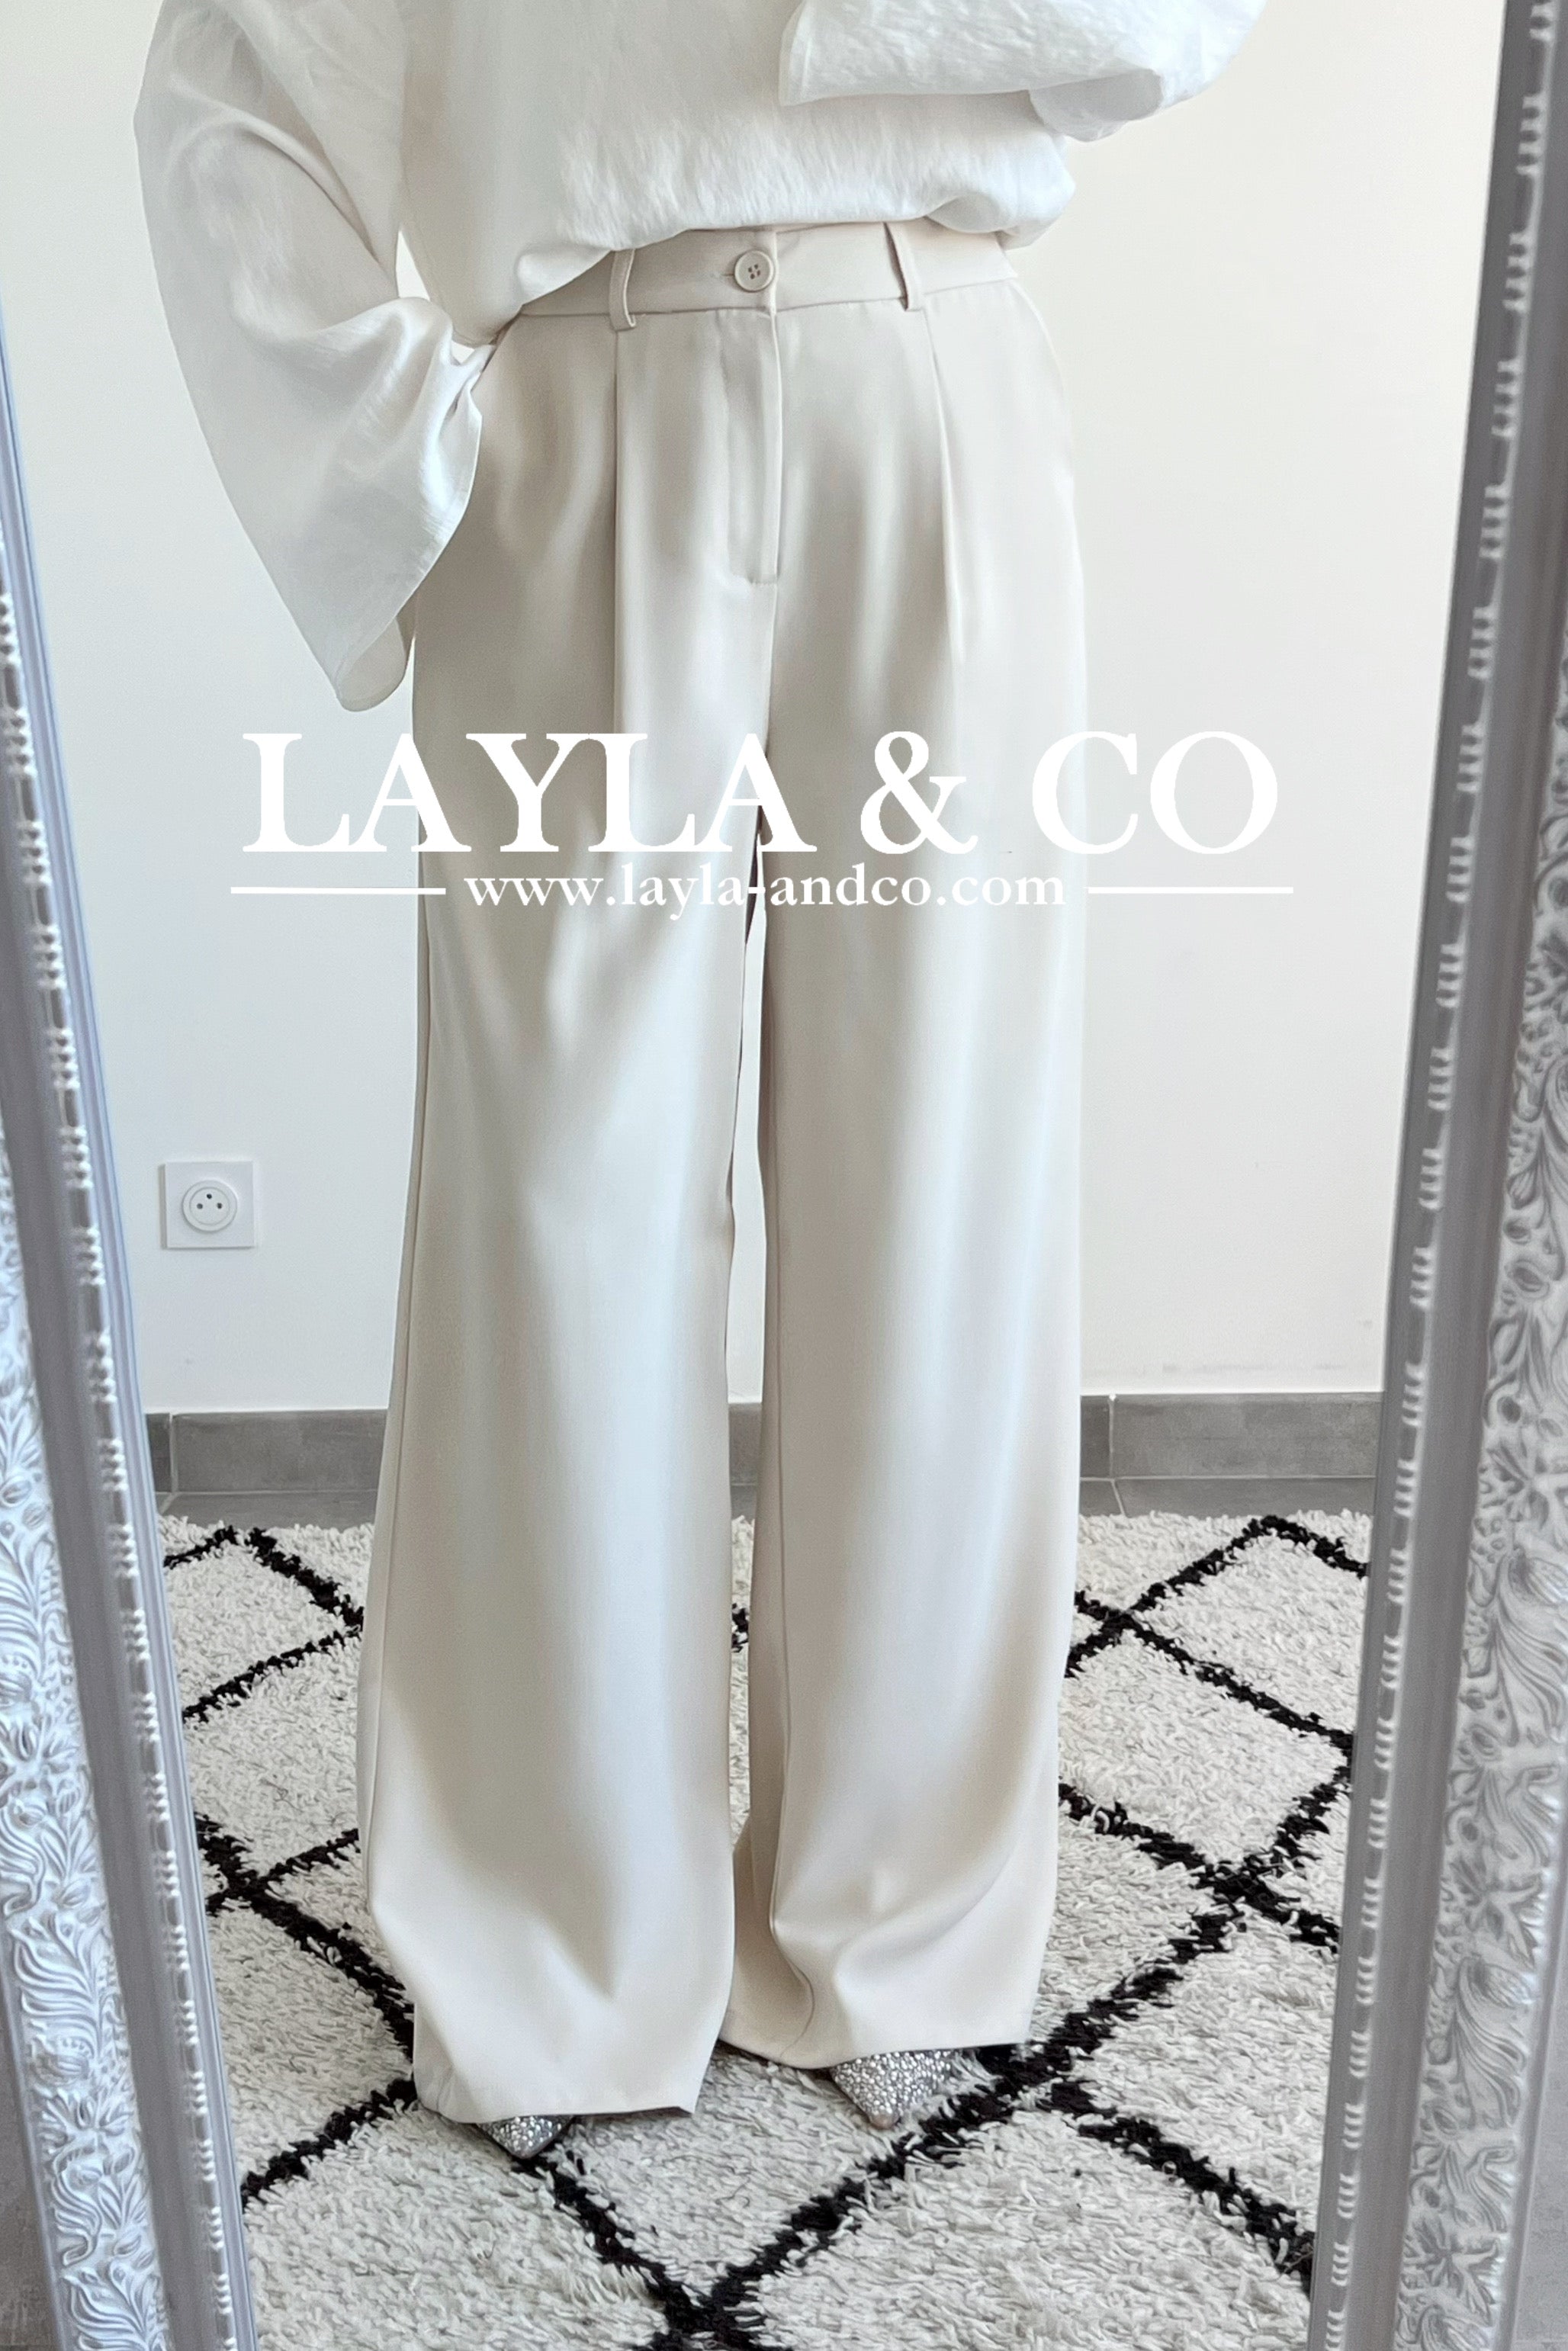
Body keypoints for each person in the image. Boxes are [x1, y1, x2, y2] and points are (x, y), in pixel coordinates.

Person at [135, 0, 1264, 2156]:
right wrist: (389, 461)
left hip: (926, 372)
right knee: (553, 1202)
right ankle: (557, 1942)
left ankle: (893, 1916)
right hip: (573, 403)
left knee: (936, 1179)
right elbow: (230, 94)